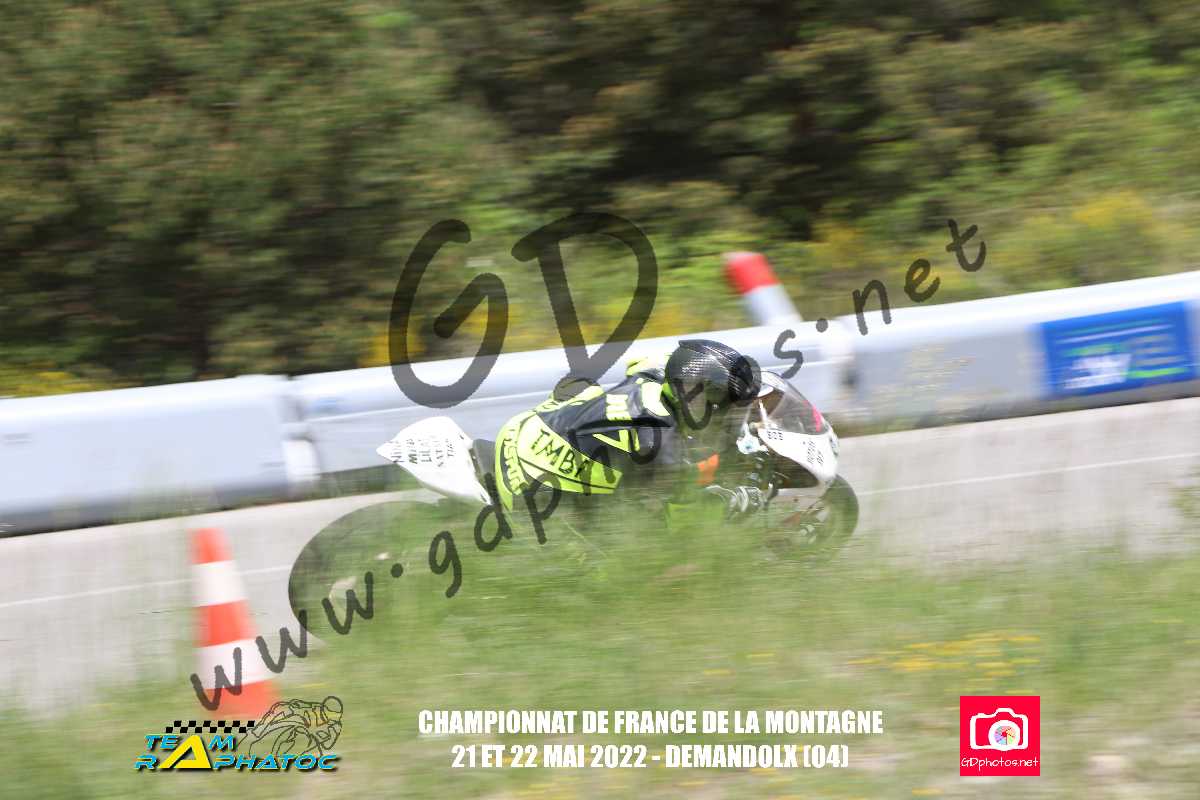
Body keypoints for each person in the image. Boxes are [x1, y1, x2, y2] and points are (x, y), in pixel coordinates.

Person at [490, 339, 768, 518]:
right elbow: (682, 504)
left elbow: (640, 363)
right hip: (525, 476)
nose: (732, 418)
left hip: (529, 425)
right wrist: (734, 499)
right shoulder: (656, 439)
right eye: (731, 411)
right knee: (641, 555)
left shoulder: (662, 377)